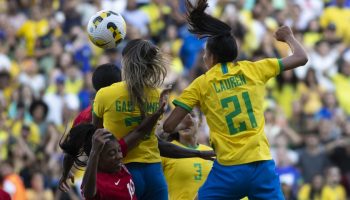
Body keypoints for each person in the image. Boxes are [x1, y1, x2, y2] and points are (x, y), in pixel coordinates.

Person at [163, 0, 308, 199]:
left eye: (206, 53)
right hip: (261, 166)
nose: (204, 57)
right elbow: (301, 57)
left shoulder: (201, 84)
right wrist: (288, 36)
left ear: (211, 57)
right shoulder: (254, 69)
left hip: (228, 171)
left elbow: (169, 126)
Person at [60, 62, 214, 194]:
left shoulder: (84, 116)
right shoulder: (134, 108)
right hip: (124, 178)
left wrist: (65, 173)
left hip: (105, 182)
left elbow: (70, 148)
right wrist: (197, 153)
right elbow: (151, 140)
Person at [92, 39, 168, 199]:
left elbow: (96, 135)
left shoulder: (105, 94)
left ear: (125, 62)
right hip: (154, 172)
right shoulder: (156, 94)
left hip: (123, 171)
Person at [60, 93, 167, 199]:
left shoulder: (116, 160)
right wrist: (94, 152)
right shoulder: (97, 181)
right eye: (112, 153)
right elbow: (88, 193)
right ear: (98, 158)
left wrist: (158, 112)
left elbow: (139, 132)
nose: (120, 156)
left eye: (119, 150)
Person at [162, 111, 213, 200]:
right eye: (181, 117)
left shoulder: (210, 153)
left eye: (192, 115)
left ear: (200, 121)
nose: (186, 121)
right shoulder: (166, 151)